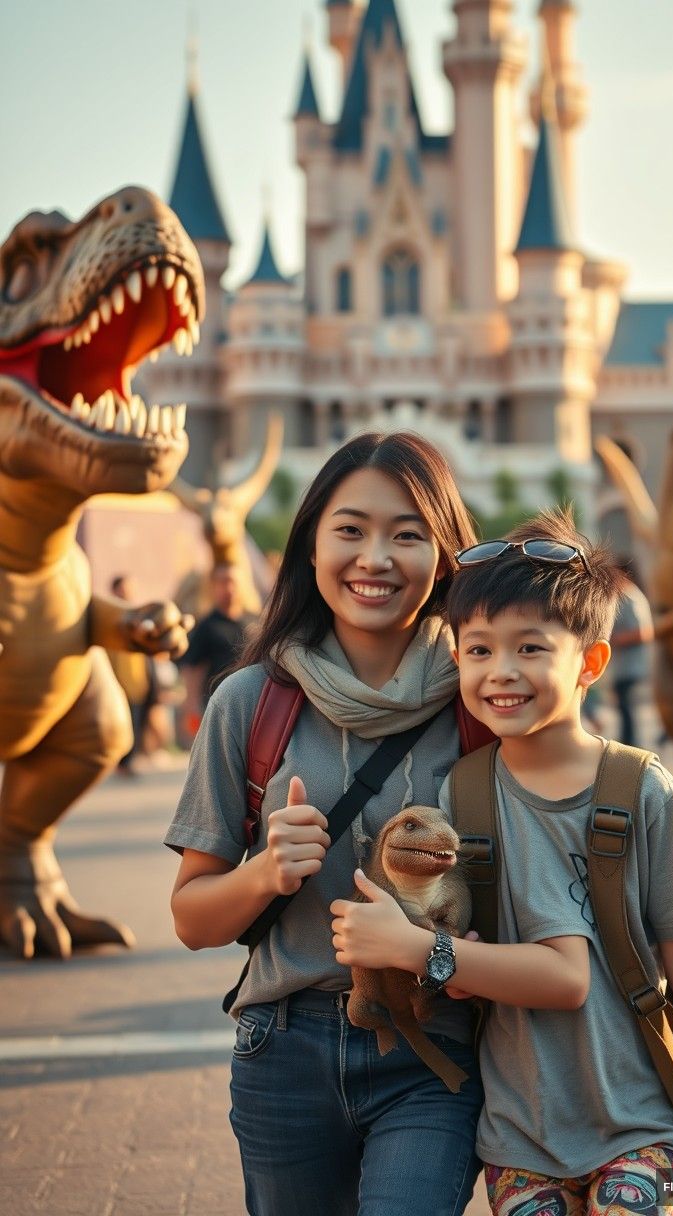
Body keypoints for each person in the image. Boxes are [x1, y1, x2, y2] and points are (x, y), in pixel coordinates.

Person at [332, 508, 673, 1216]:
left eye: (530, 649)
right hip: (518, 1137)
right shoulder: (461, 792)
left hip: (639, 1119)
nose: (501, 671)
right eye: (477, 651)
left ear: (590, 661)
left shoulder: (641, 787)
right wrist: (444, 960)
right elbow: (474, 947)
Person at [165, 433, 485, 1216]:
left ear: (444, 558)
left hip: (433, 1045)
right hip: (285, 1049)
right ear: (311, 545)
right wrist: (264, 872)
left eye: (407, 533)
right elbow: (191, 920)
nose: (374, 556)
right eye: (350, 529)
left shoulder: (484, 705)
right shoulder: (248, 703)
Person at [178, 563, 257, 740]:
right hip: (218, 705)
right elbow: (192, 667)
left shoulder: (254, 622)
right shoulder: (207, 626)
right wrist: (191, 707)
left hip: (253, 703)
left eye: (233, 582)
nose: (229, 588)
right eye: (223, 582)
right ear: (214, 587)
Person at [107, 574, 159, 775]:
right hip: (118, 683)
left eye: (129, 589)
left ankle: (128, 762)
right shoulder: (109, 620)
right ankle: (123, 763)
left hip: (139, 682)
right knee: (123, 725)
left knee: (137, 723)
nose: (127, 593)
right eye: (123, 589)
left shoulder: (142, 618)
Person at [606, 560, 653, 747]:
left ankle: (631, 744)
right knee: (624, 707)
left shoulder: (630, 596)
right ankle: (628, 742)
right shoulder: (624, 596)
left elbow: (644, 632)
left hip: (631, 665)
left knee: (627, 708)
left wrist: (614, 640)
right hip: (623, 665)